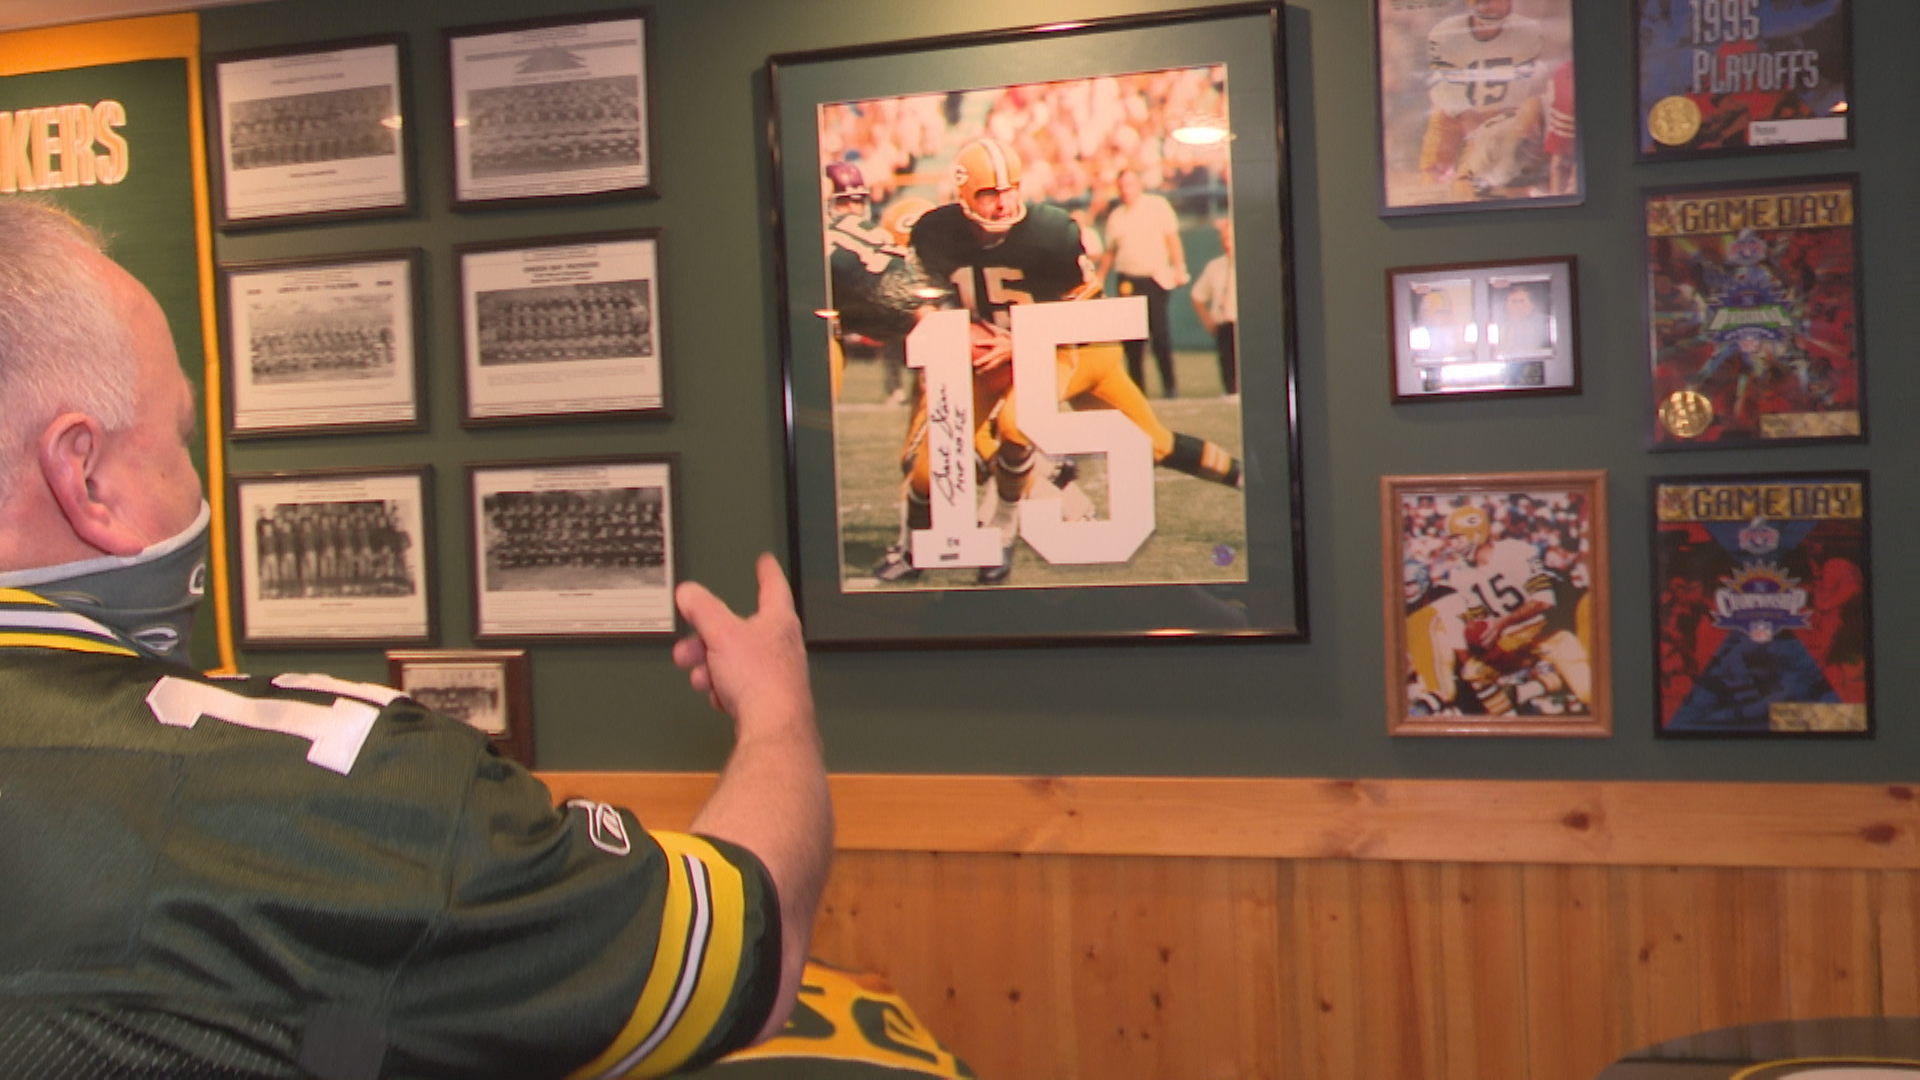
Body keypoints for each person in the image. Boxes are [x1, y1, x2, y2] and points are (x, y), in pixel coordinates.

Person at [0, 200, 832, 1079]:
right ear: (85, 476)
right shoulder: (327, 799)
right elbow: (746, 944)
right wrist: (777, 709)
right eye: (177, 437)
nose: (195, 476)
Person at [876, 138, 1243, 586]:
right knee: (924, 469)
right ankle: (912, 552)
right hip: (989, 359)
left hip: (1061, 349)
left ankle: (1006, 525)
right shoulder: (936, 233)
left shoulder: (1050, 231)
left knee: (1043, 429)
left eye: (1010, 188)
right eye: (989, 193)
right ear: (964, 196)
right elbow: (913, 293)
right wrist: (947, 323)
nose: (1003, 201)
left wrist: (1021, 341)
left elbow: (1085, 310)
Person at [1419, 0, 1552, 199]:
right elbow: (1446, 93)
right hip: (1451, 116)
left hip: (1501, 116)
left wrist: (1488, 139)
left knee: (1496, 189)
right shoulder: (1445, 33)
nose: (1487, 6)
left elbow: (1522, 95)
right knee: (1433, 183)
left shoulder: (1527, 33)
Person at [1096, 169, 1188, 397]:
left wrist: (1179, 267)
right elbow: (1110, 251)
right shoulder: (1116, 216)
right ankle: (1137, 390)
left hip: (1154, 277)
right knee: (1132, 341)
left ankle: (1170, 386)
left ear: (1139, 185)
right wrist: (1099, 278)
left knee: (1160, 334)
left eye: (1130, 185)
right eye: (1122, 187)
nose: (1126, 191)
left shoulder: (1157, 206)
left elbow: (1172, 238)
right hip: (1128, 280)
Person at [1188, 217, 1238, 395]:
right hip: (1224, 322)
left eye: (1230, 238)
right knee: (1226, 361)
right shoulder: (1215, 266)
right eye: (1224, 239)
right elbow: (1197, 295)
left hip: (1242, 323)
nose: (1227, 243)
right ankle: (1230, 391)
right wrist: (1208, 320)